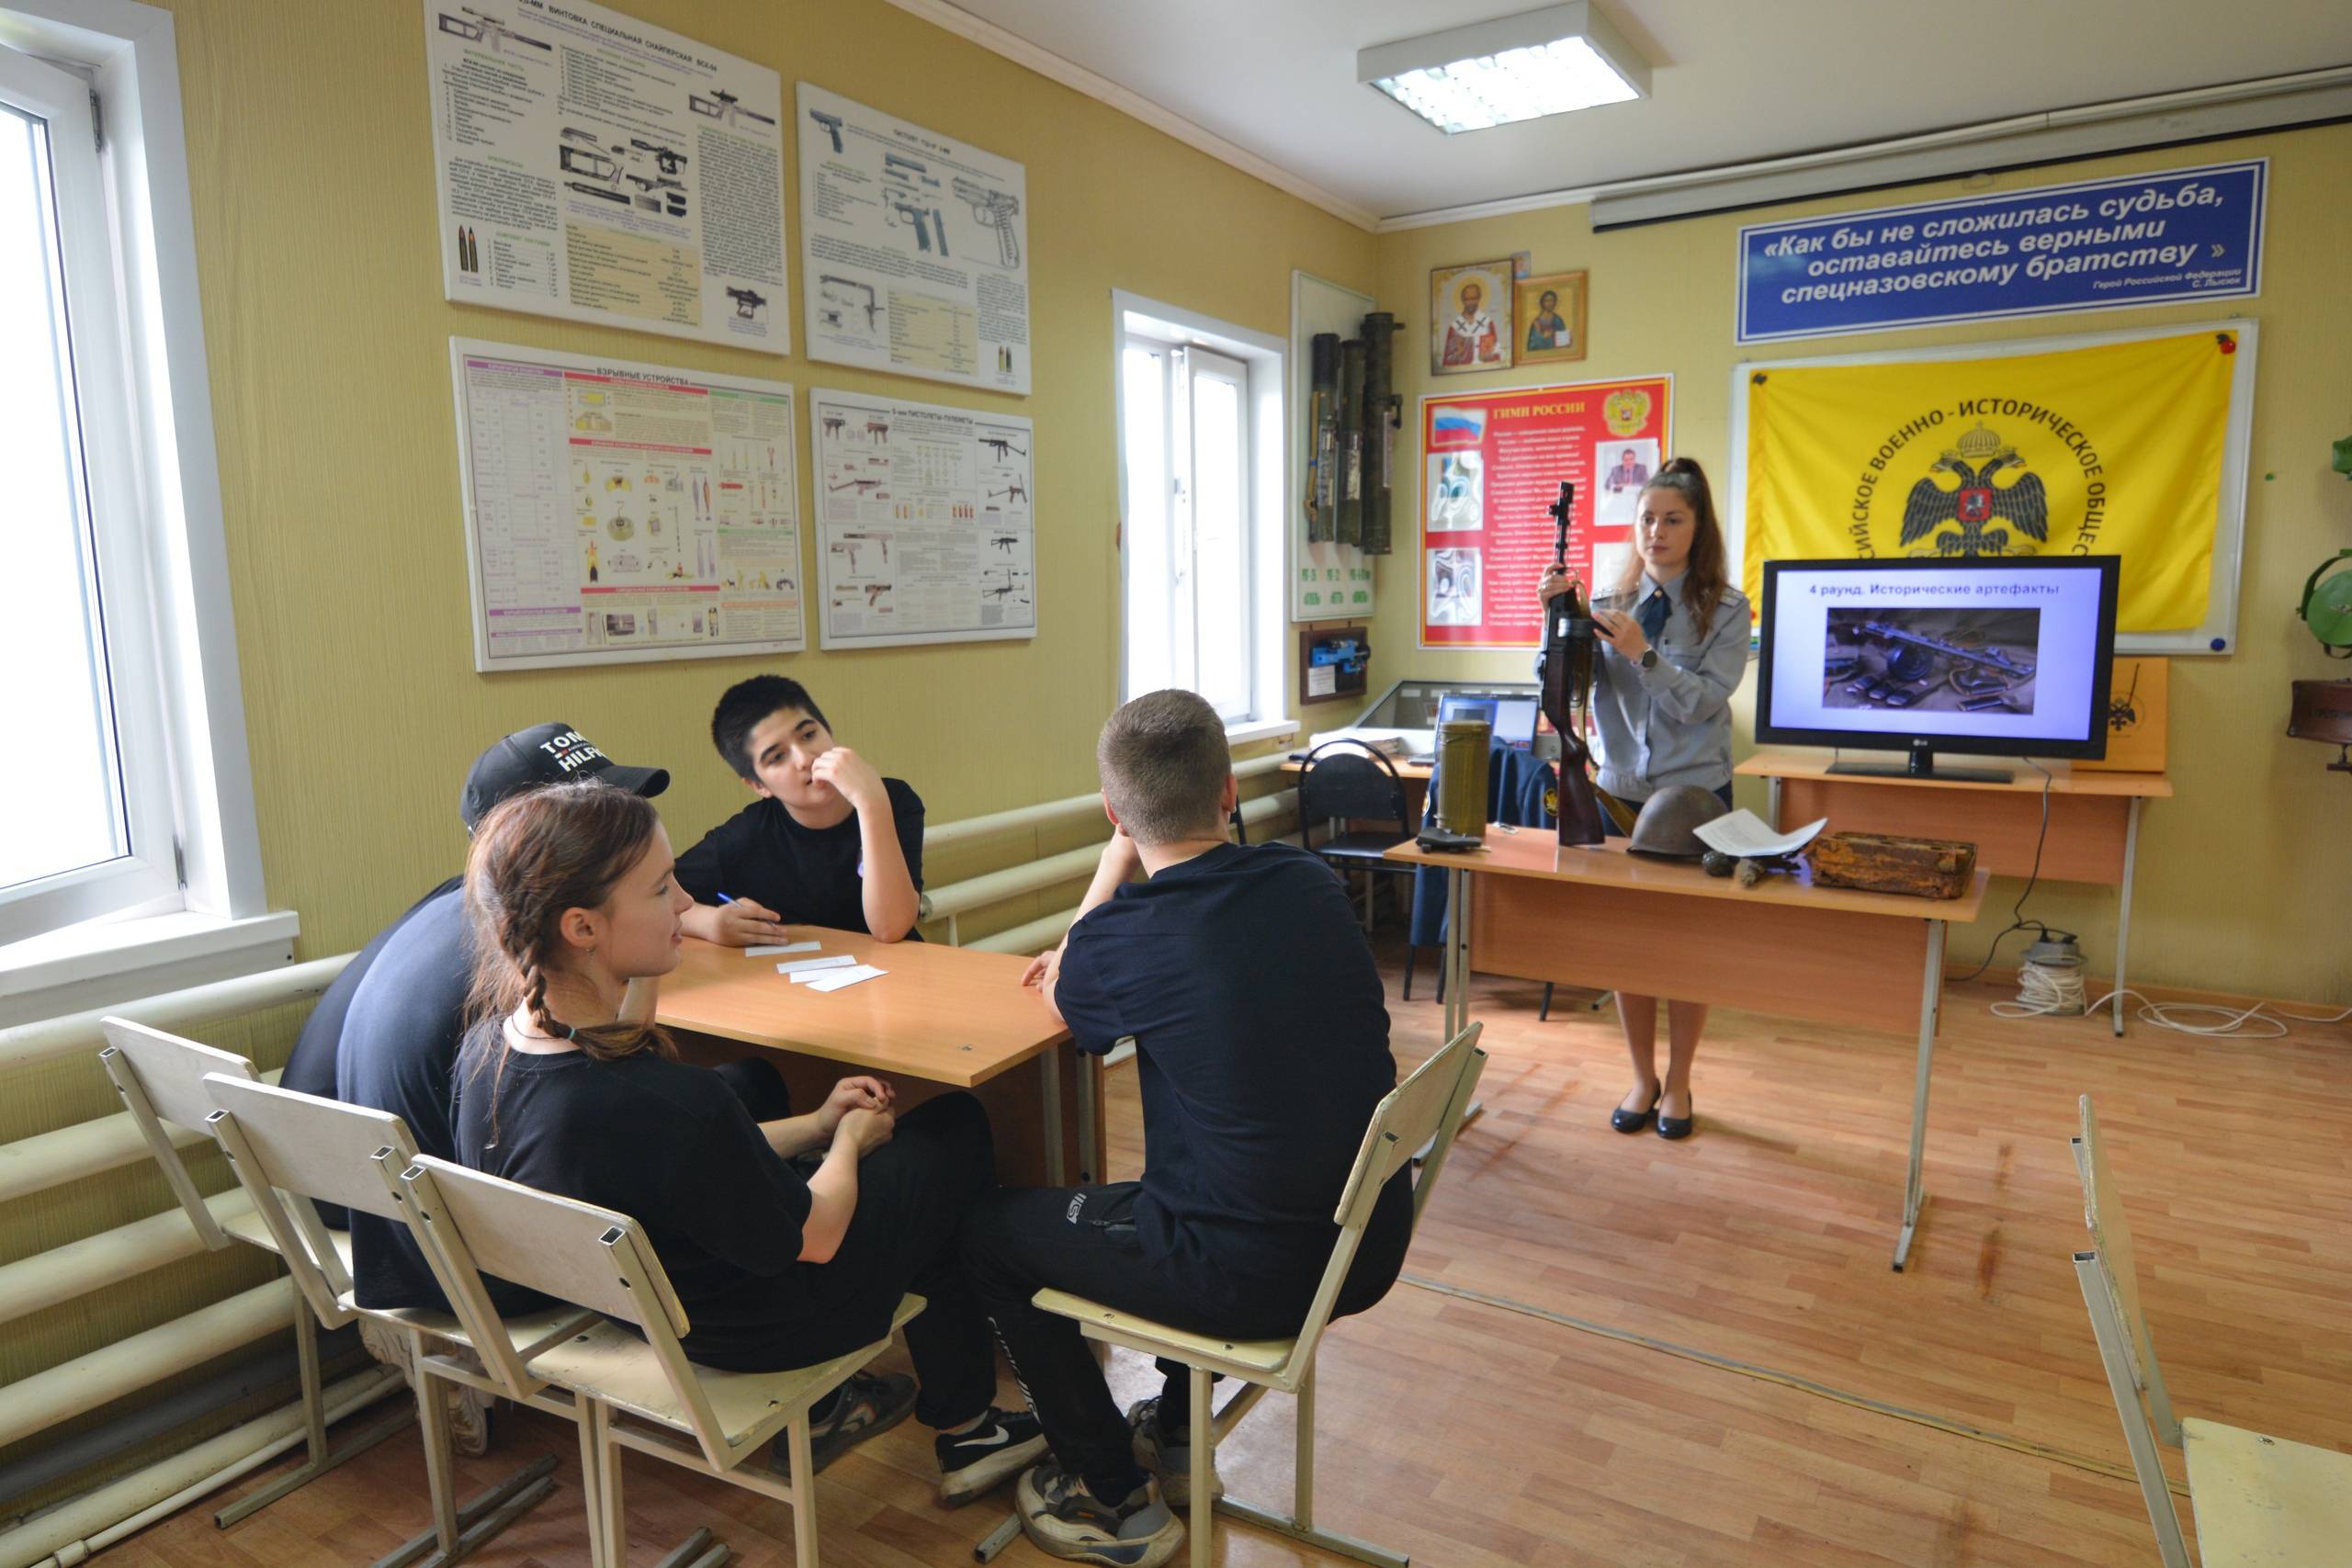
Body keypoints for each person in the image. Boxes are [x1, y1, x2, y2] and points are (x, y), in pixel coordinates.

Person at [453, 780, 1043, 1505]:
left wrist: (819, 1122)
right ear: (582, 926)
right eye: (661, 889)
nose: (685, 903)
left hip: (648, 1311)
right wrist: (848, 1142)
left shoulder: (488, 1053)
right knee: (953, 1129)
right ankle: (969, 1421)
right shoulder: (671, 1102)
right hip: (766, 1329)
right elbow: (817, 1235)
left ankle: (962, 1413)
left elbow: (687, 1153)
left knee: (758, 1084)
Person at [963, 690, 1413, 1567]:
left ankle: (1108, 1491)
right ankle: (1175, 1433)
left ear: (1114, 813)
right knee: (1201, 1174)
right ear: (1229, 794)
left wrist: (1111, 868)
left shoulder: (1122, 938)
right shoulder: (1310, 883)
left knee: (988, 1232)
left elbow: (1065, 991)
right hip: (1363, 1244)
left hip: (1253, 1274)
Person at [1536, 457, 1748, 1140]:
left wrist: (1643, 654)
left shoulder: (1727, 610)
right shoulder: (1607, 602)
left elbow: (1703, 703)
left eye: (1672, 519)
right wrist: (1554, 621)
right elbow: (1561, 685)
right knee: (1627, 944)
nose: (1656, 531)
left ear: (1698, 528)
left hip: (1694, 798)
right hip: (1621, 794)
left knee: (1687, 949)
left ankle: (1679, 1080)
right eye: (1646, 518)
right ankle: (1641, 1075)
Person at [674, 675, 923, 946]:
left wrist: (870, 802)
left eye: (808, 735)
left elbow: (890, 928)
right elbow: (656, 896)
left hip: (898, 967)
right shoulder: (746, 835)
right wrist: (709, 923)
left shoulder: (891, 799)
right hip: (796, 969)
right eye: (777, 757)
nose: (805, 759)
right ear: (758, 785)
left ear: (828, 730)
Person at [1441, 279, 1501, 367]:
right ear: (1462, 300)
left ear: (1479, 299)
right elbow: (1448, 361)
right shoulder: (1455, 327)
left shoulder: (1487, 323)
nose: (1471, 302)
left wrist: (1487, 356)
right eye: (1467, 299)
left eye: (1474, 298)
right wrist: (1458, 353)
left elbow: (1495, 355)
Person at [1524, 288, 1568, 352]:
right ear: (1542, 303)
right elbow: (1531, 345)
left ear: (1555, 302)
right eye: (1547, 301)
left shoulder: (1558, 320)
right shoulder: (1536, 322)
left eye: (1552, 300)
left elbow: (1564, 342)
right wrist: (1543, 336)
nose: (1550, 303)